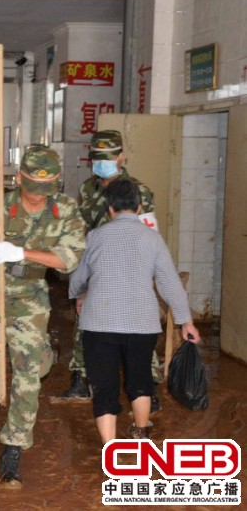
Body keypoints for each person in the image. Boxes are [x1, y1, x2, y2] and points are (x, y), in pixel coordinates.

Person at [68, 179, 200, 443]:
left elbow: (79, 278)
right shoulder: (152, 238)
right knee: (140, 379)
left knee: (105, 386)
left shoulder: (95, 236)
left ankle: (110, 448)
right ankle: (141, 433)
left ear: (110, 209)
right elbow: (169, 283)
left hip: (100, 323)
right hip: (142, 323)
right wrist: (186, 321)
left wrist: (78, 295)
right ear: (139, 207)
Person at [0, 145, 86, 486]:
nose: (38, 199)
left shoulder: (66, 209)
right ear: (18, 180)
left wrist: (22, 253)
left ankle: (14, 445)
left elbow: (69, 259)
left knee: (29, 372)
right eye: (32, 191)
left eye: (46, 192)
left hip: (32, 297)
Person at [61, 129, 161, 407]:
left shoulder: (138, 191)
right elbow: (84, 229)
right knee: (85, 322)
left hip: (130, 267)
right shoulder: (87, 188)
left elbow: (148, 233)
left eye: (106, 157)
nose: (100, 163)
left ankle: (147, 387)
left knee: (139, 326)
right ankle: (81, 379)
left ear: (121, 156)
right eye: (96, 157)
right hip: (96, 263)